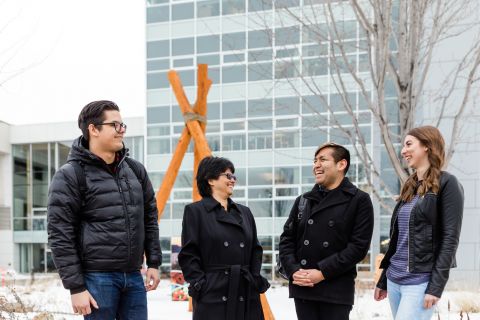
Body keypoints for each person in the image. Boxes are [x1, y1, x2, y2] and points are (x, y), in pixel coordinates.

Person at [47, 100, 162, 319]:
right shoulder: (70, 174)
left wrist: (154, 262)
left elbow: (149, 219)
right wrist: (76, 287)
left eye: (123, 125)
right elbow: (60, 233)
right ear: (93, 129)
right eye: (115, 125)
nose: (122, 131)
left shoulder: (136, 171)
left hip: (134, 277)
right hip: (97, 280)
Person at [374, 126, 464, 320]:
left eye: (409, 144)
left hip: (419, 283)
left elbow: (450, 239)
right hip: (394, 280)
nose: (403, 151)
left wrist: (436, 287)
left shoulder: (448, 184)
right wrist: (383, 280)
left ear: (427, 146)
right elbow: (398, 240)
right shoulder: (410, 185)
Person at [279, 142, 374, 320]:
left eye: (323, 160)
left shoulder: (359, 200)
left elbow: (358, 247)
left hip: (336, 289)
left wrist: (322, 272)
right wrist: (293, 270)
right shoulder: (304, 200)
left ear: (341, 164)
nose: (316, 165)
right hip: (304, 287)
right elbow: (287, 240)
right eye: (315, 161)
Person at [178, 156, 270, 320]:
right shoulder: (195, 211)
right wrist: (201, 285)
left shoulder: (245, 212)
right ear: (211, 179)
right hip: (213, 294)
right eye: (228, 175)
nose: (233, 180)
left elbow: (255, 250)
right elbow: (188, 254)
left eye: (234, 176)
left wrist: (255, 279)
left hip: (245, 291)